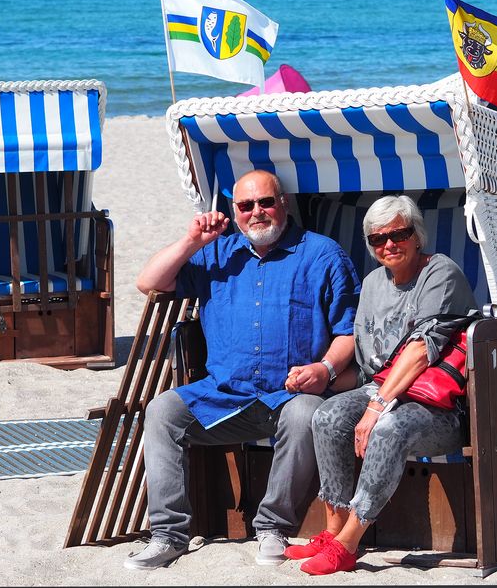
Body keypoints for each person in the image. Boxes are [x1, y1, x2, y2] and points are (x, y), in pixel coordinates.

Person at [124, 169, 361, 570]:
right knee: (162, 411)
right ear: (233, 211)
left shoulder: (322, 254)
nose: (257, 212)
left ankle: (272, 526)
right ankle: (168, 534)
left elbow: (350, 331)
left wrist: (325, 368)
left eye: (266, 202)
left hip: (289, 396)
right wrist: (192, 241)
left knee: (307, 413)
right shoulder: (217, 252)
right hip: (223, 396)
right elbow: (148, 282)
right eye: (246, 205)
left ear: (284, 203)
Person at [283, 195, 477, 576]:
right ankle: (332, 530)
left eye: (399, 234)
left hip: (440, 404)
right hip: (384, 390)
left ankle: (348, 544)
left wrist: (375, 409)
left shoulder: (440, 272)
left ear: (416, 235)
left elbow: (421, 350)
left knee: (389, 428)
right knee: (327, 416)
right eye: (378, 239)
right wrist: (323, 374)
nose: (389, 244)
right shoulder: (373, 282)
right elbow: (369, 365)